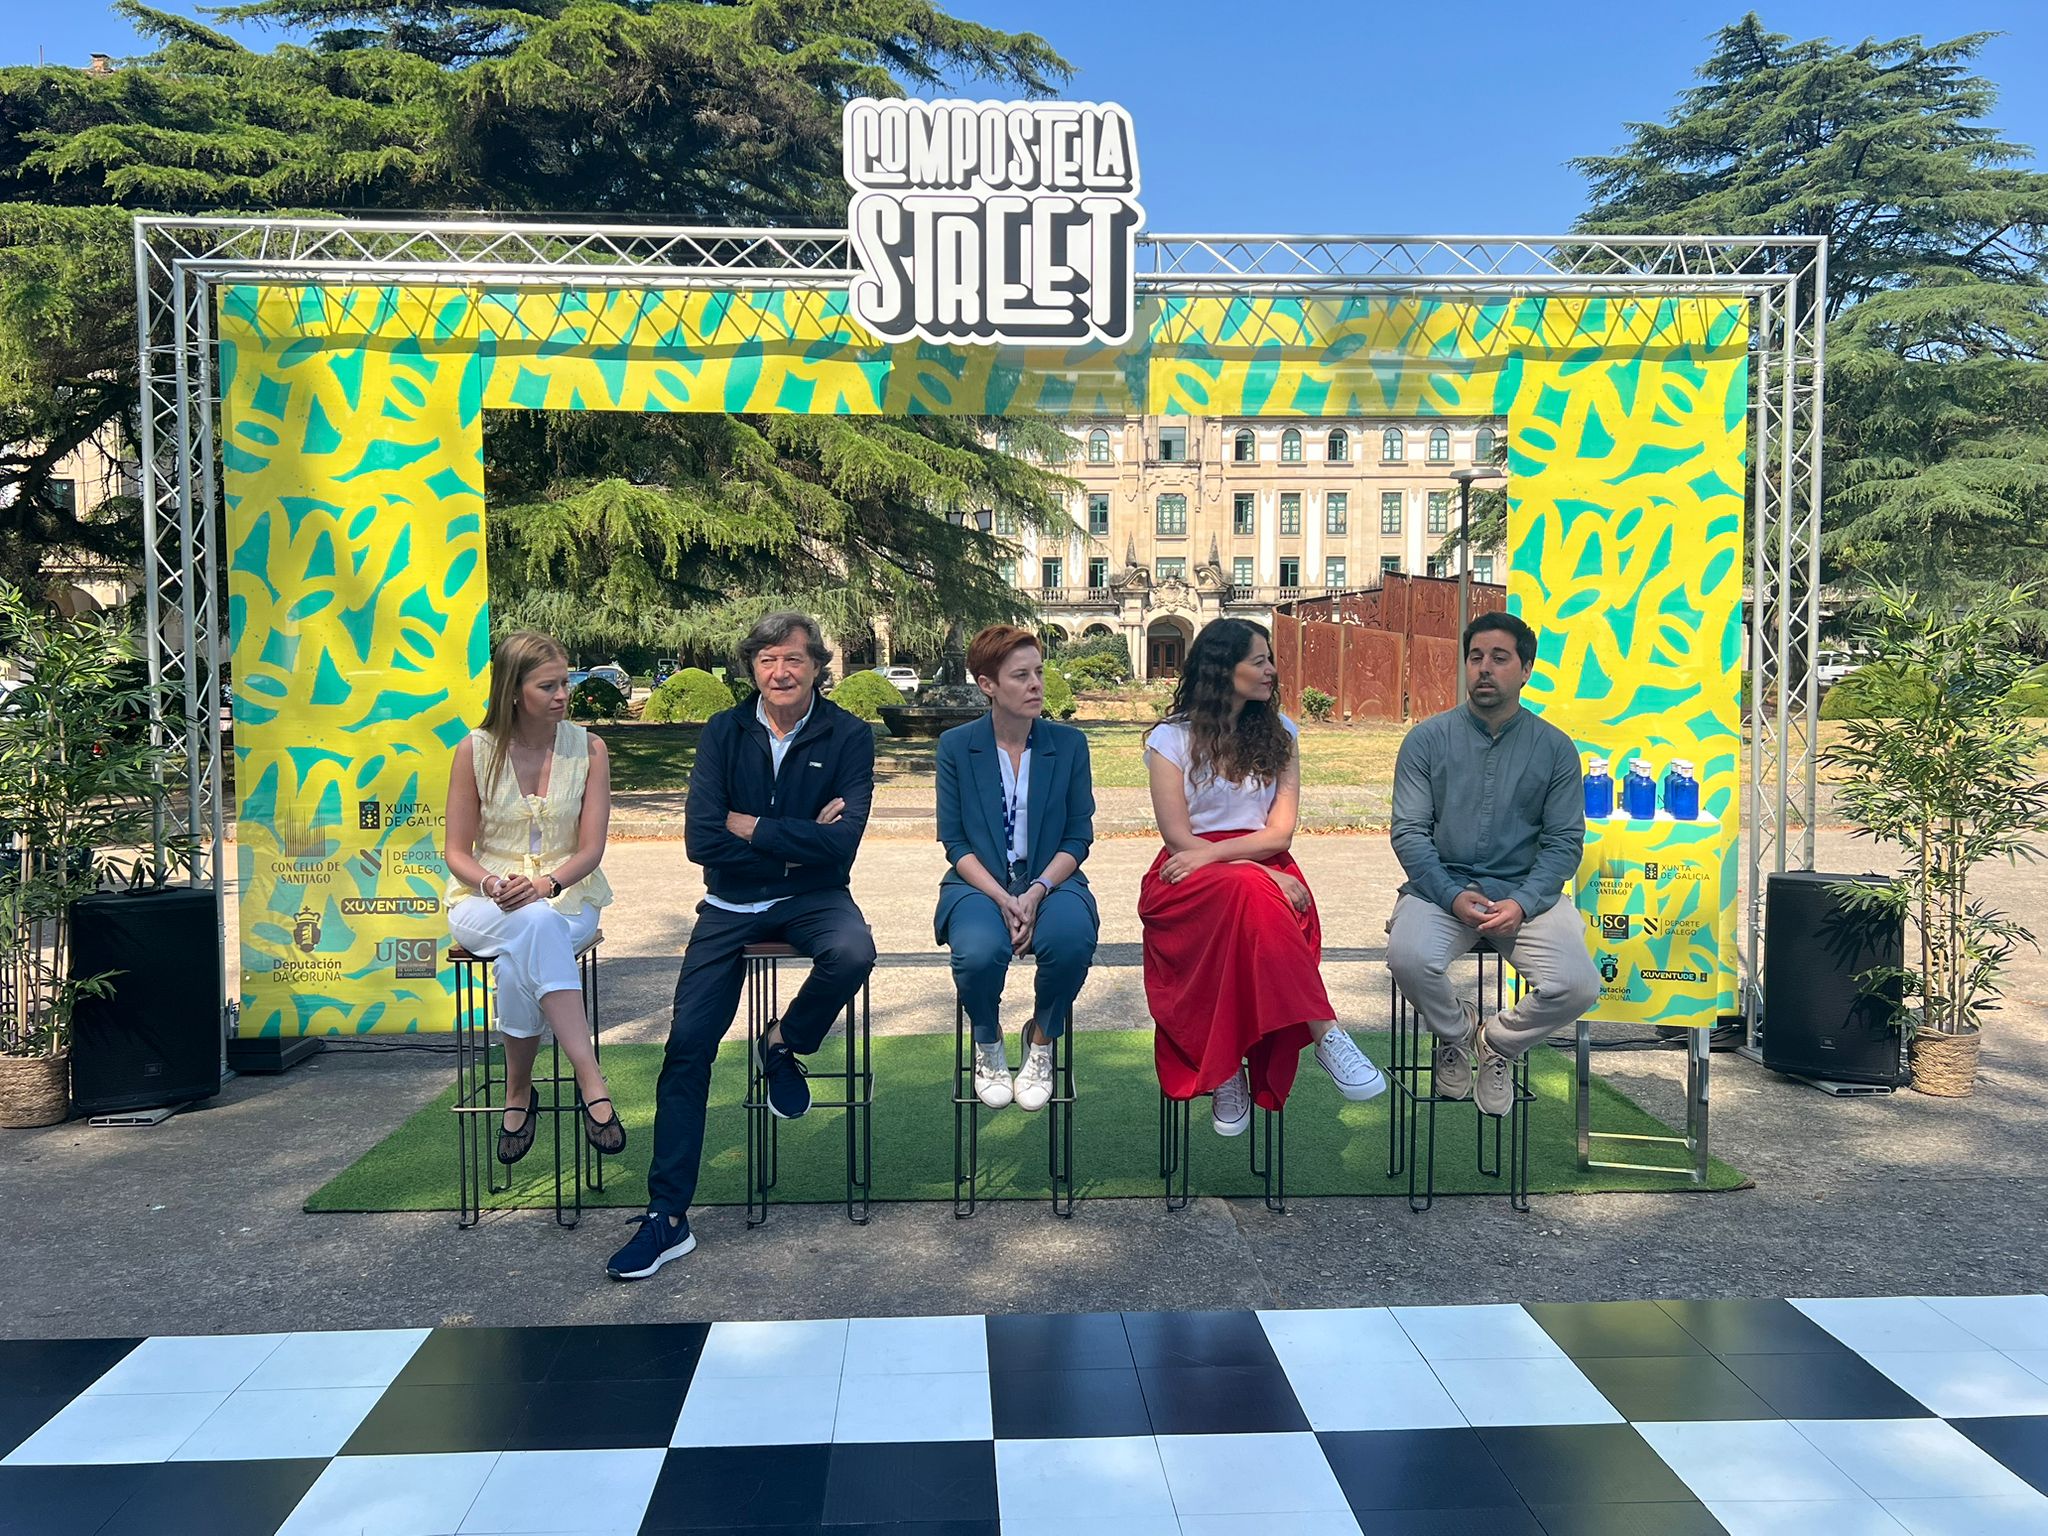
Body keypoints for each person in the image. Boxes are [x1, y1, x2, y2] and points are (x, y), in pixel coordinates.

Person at [608, 611, 877, 1280]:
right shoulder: (723, 732)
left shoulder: (848, 735)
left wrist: (753, 826)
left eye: (793, 659)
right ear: (751, 668)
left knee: (854, 949)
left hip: (815, 897)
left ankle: (783, 1040)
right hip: (729, 904)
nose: (780, 672)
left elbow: (842, 844)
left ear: (817, 666)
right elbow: (702, 839)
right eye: (767, 660)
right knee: (687, 1049)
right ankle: (667, 1217)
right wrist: (798, 838)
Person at [1139, 618, 1387, 1136]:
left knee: (1253, 898)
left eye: (1270, 659)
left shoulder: (1282, 734)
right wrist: (1253, 870)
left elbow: (1280, 834)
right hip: (1189, 873)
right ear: (1222, 669)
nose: (1272, 670)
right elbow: (1178, 838)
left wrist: (1255, 868)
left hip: (1261, 862)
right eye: (1259, 661)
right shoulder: (1171, 739)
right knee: (1248, 890)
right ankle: (1323, 1034)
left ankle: (1233, 1064)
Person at [1387, 610, 1600, 1116]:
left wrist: (1522, 903)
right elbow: (1409, 833)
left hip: (1526, 894)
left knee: (1578, 985)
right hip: (1441, 889)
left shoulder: (1555, 749)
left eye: (1500, 658)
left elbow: (1564, 842)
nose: (1484, 668)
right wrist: (1450, 895)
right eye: (1476, 657)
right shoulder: (1426, 740)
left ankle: (1497, 1043)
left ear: (1526, 670)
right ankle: (1457, 1032)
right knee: (1409, 958)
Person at [444, 630, 622, 1165]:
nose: (563, 694)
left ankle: (518, 1091)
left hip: (568, 897)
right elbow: (456, 852)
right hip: (485, 902)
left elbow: (591, 849)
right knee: (531, 927)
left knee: (527, 942)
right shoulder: (473, 751)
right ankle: (591, 1080)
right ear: (513, 691)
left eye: (565, 682)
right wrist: (492, 885)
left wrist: (547, 885)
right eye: (548, 686)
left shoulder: (590, 748)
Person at [935, 626, 1098, 1112]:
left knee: (1070, 941)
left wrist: (1036, 891)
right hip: (979, 881)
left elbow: (1078, 836)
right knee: (978, 952)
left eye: (1039, 673)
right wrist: (1004, 898)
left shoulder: (1069, 744)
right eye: (1021, 675)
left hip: (1052, 878)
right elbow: (955, 842)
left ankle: (1041, 1042)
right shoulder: (956, 746)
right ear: (987, 684)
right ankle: (988, 1042)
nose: (1036, 685)